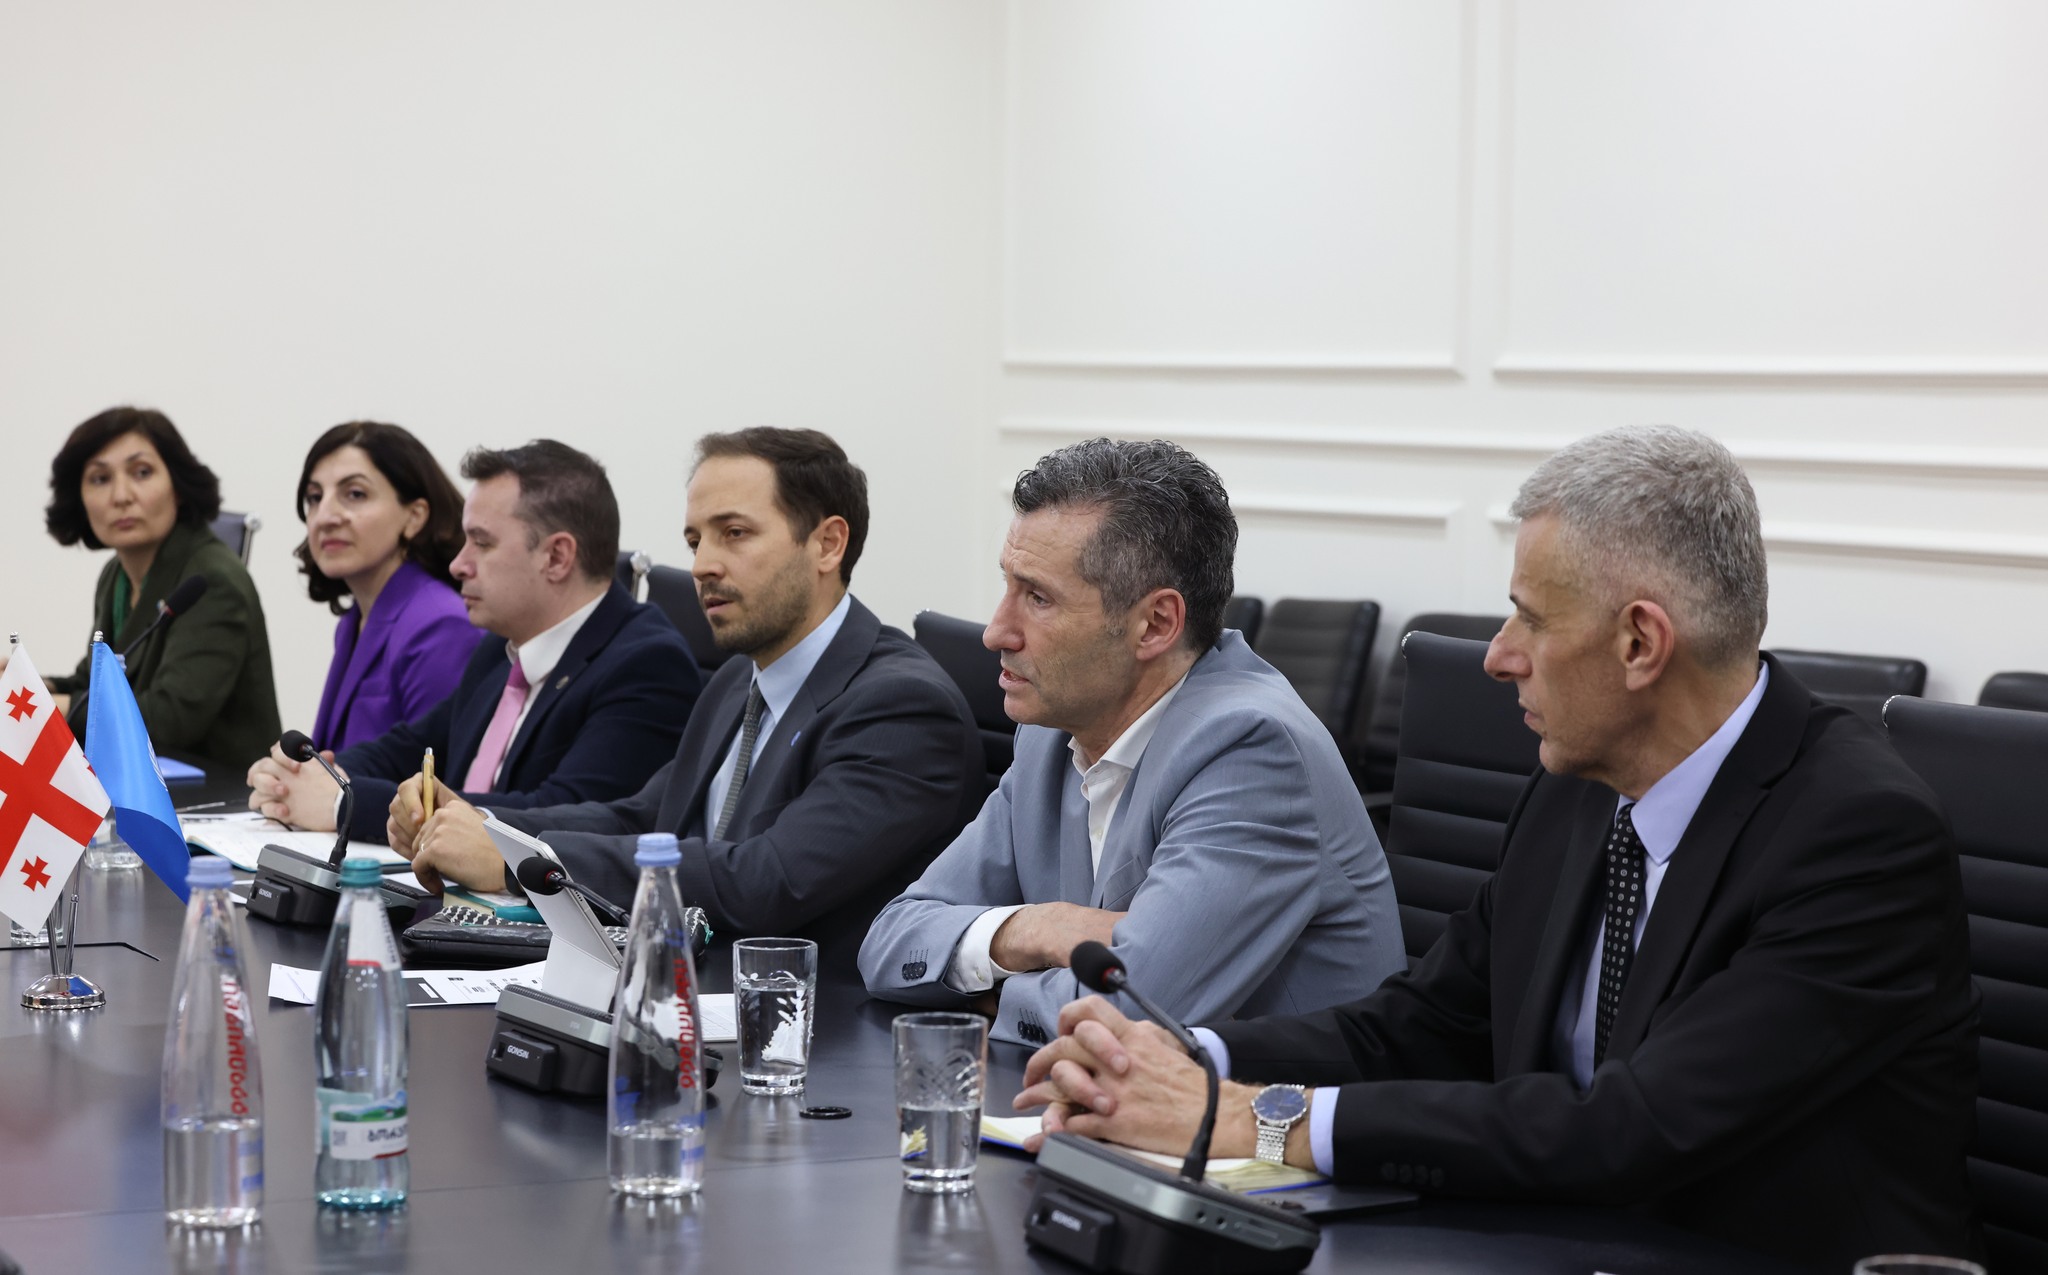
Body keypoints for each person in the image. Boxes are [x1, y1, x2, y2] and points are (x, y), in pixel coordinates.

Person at [1013, 427, 1980, 1270]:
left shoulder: (1856, 835)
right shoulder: (1577, 788)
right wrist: (1181, 1052)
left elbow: (1632, 1125)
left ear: (1640, 643)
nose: (1498, 654)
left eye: (1532, 618)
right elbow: (1422, 1023)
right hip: (1550, 1239)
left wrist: (1256, 1116)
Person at [859, 438, 1406, 1047]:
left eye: (1038, 597)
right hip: (1091, 1095)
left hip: (1267, 1104)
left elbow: (1127, 1016)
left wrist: (982, 993)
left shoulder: (1252, 751)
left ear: (1156, 624)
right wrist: (1036, 928)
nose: (996, 632)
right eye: (1008, 586)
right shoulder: (1049, 735)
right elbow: (891, 943)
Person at [384, 428, 982, 957]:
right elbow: (644, 816)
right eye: (696, 541)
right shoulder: (738, 679)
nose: (701, 566)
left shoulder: (903, 708)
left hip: (813, 1024)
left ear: (827, 544)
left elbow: (764, 880)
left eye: (735, 533)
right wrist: (481, 824)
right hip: (686, 990)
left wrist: (525, 865)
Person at [246, 440, 700, 845]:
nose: (458, 565)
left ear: (557, 557)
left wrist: (344, 802)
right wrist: (305, 776)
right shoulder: (499, 650)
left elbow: (563, 816)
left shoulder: (646, 664)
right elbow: (407, 748)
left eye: (481, 543)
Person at [40, 407, 280, 773]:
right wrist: (27, 685)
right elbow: (94, 683)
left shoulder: (213, 579)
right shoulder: (116, 576)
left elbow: (170, 719)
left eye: (142, 472)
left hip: (222, 796)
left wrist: (48, 706)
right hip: (142, 784)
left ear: (178, 487)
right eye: (100, 478)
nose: (121, 496)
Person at [295, 421, 483, 753]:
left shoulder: (442, 627)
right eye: (315, 497)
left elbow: (433, 777)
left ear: (414, 517)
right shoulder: (354, 621)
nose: (325, 516)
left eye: (355, 494)